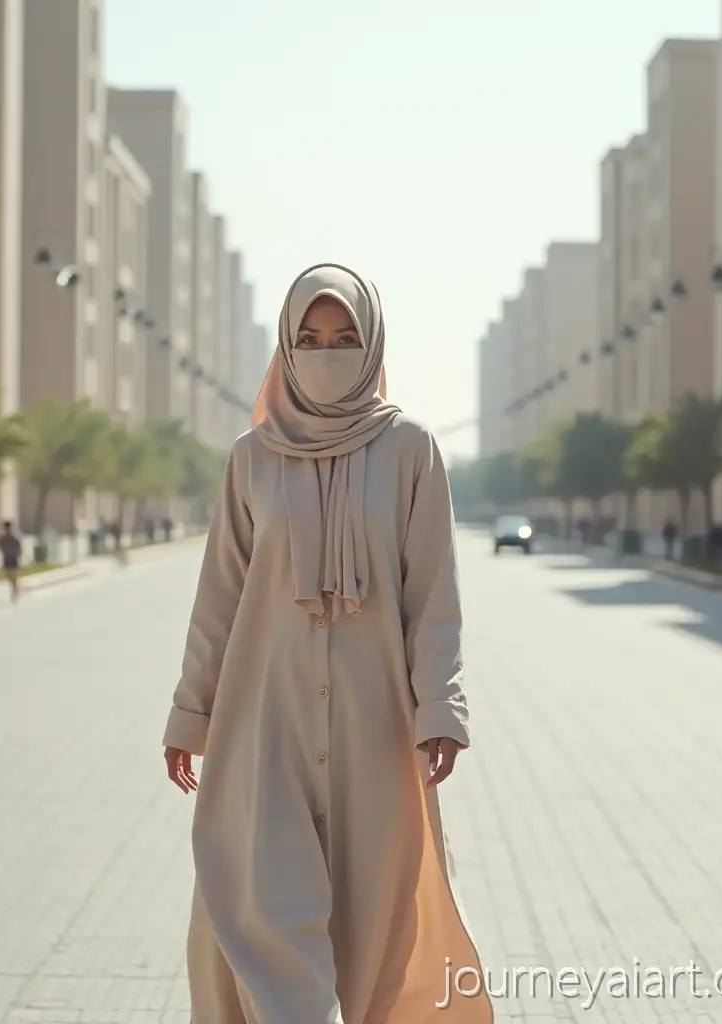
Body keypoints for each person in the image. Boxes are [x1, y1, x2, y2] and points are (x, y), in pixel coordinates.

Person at [162, 264, 491, 1023]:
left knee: (375, 935)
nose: (327, 352)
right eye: (309, 339)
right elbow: (219, 597)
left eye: (345, 338)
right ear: (285, 344)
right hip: (263, 724)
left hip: (375, 733)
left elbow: (433, 594)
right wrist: (191, 715)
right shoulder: (252, 457)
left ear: (373, 343)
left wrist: (440, 707)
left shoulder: (410, 448)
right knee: (268, 923)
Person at [0, 521, 21, 602]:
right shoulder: (3, 538)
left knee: (13, 576)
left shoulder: (14, 537)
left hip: (12, 558)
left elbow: (18, 547)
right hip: (7, 559)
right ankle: (15, 588)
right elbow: (0, 547)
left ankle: (15, 590)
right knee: (9, 576)